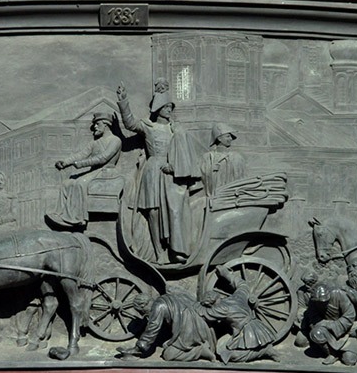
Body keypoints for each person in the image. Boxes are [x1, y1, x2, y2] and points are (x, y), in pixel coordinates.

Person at [116, 79, 201, 264]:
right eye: (167, 106)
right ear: (159, 108)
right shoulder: (149, 126)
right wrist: (123, 101)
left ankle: (175, 249)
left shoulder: (176, 129)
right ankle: (158, 253)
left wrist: (175, 166)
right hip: (152, 170)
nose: (170, 109)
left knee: (173, 210)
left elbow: (184, 153)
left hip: (171, 174)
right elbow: (130, 124)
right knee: (153, 212)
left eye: (171, 106)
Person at [45, 112, 122, 229]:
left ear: (106, 125)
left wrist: (80, 164)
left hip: (107, 172)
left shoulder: (115, 140)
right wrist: (65, 162)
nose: (95, 127)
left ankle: (77, 218)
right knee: (67, 183)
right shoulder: (95, 142)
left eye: (97, 124)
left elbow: (104, 158)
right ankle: (60, 213)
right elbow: (81, 154)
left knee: (81, 183)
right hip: (95, 171)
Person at [200, 264, 279, 363]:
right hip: (258, 326)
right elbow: (243, 285)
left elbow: (203, 314)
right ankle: (266, 349)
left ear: (209, 303)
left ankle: (264, 351)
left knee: (230, 356)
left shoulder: (219, 309)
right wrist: (227, 275)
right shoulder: (237, 296)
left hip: (247, 332)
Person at [116, 291, 216, 362]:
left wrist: (137, 349)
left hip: (191, 332)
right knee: (167, 345)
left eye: (142, 312)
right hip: (199, 325)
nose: (144, 315)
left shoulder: (158, 307)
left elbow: (152, 328)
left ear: (144, 305)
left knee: (169, 355)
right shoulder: (165, 298)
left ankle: (200, 350)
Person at [307, 283, 357, 366]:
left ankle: (347, 350)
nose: (321, 304)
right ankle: (332, 353)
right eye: (318, 302)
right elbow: (313, 318)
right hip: (326, 329)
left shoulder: (338, 294)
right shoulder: (313, 300)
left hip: (345, 331)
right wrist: (327, 325)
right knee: (316, 333)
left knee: (349, 361)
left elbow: (350, 314)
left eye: (323, 302)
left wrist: (334, 326)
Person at [199, 123, 245, 197]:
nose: (230, 139)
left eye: (231, 136)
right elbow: (202, 177)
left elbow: (242, 179)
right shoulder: (208, 157)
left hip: (233, 197)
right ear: (219, 138)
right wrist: (211, 170)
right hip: (216, 198)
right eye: (228, 136)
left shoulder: (237, 157)